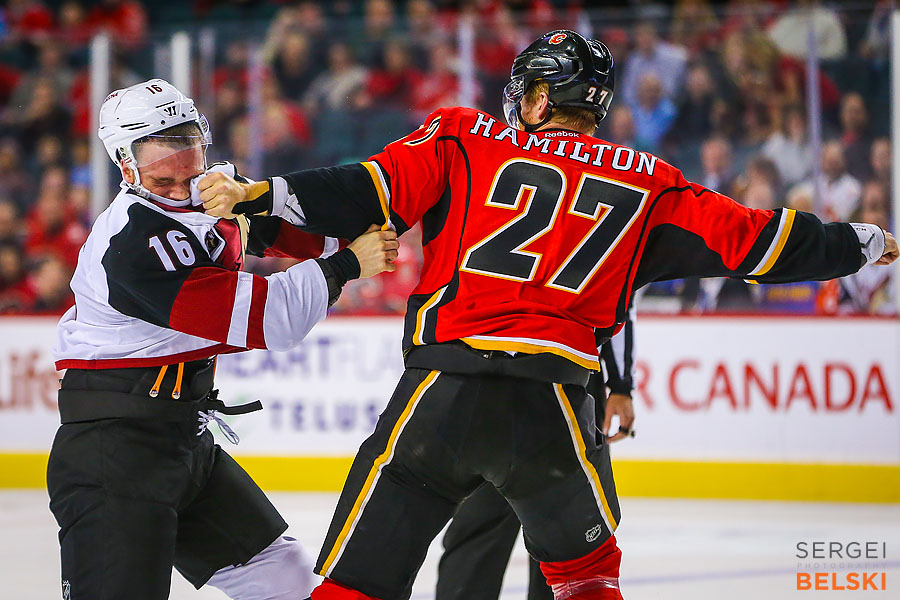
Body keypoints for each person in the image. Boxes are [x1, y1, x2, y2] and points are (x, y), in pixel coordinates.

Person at [205, 31, 898, 600]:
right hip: (557, 409)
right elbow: (763, 242)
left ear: (538, 96)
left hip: (440, 395)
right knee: (588, 581)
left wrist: (261, 197)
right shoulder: (649, 181)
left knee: (357, 585)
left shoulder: (465, 137)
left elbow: (364, 191)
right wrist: (864, 241)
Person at [47, 79, 398, 600]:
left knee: (288, 583)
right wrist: (348, 264)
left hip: (183, 440)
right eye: (160, 159)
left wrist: (266, 198)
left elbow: (313, 231)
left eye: (188, 147)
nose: (183, 177)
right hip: (114, 453)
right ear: (125, 163)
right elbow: (264, 318)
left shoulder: (208, 195)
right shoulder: (130, 243)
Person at [425, 306, 637, 600]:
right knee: (562, 527)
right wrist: (621, 383)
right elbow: (620, 302)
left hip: (489, 369)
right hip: (562, 373)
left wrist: (622, 384)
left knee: (488, 524)